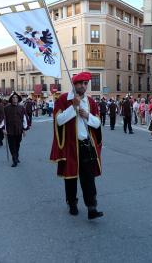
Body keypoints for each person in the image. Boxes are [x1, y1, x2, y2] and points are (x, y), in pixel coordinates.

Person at [50, 72, 104, 220]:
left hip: (86, 145)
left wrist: (87, 116)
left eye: (86, 83)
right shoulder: (63, 99)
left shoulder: (91, 102)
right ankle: (72, 203)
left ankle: (92, 207)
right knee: (71, 177)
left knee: (89, 178)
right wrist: (73, 108)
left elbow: (98, 123)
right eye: (80, 83)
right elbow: (59, 121)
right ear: (74, 84)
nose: (83, 86)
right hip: (71, 146)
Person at [2, 92, 28, 167]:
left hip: (18, 129)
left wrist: (24, 129)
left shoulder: (21, 108)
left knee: (17, 144)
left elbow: (24, 119)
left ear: (18, 99)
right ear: (11, 99)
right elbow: (3, 119)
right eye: (13, 97)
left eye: (16, 97)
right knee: (11, 145)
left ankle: (16, 155)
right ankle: (14, 159)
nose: (15, 99)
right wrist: (3, 128)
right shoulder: (6, 108)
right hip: (10, 130)